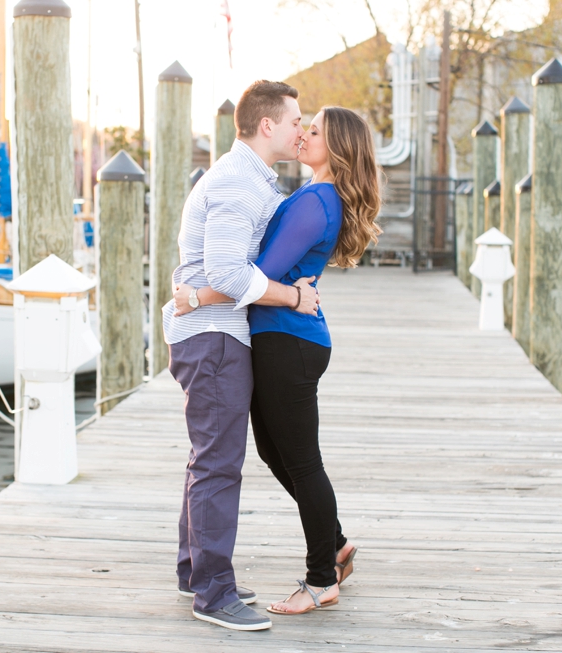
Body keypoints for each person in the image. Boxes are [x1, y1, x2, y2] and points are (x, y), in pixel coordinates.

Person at [173, 106, 383, 616]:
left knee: (303, 461)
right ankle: (333, 542)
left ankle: (321, 578)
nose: (304, 135)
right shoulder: (312, 196)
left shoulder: (315, 200)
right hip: (284, 338)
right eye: (302, 126)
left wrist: (196, 297)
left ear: (336, 148)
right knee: (277, 453)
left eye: (314, 131)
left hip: (289, 341)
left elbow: (254, 276)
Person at [162, 80, 319, 632]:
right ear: (267, 125)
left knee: (210, 457)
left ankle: (194, 573)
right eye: (296, 120)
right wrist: (294, 297)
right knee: (219, 463)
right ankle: (212, 592)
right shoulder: (235, 183)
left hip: (216, 331)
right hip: (214, 336)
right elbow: (228, 272)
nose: (302, 129)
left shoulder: (254, 182)